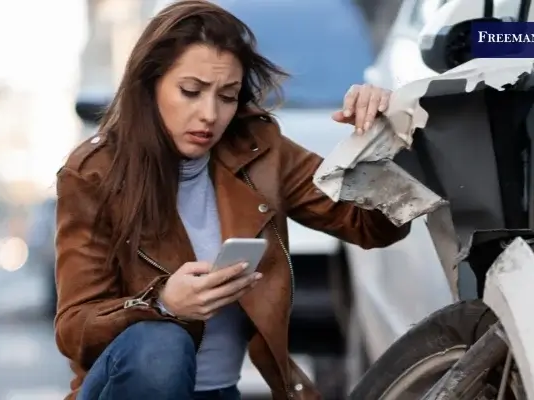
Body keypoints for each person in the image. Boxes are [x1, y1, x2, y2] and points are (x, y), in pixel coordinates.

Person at [54, 1, 411, 399]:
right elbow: (74, 327)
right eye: (191, 91)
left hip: (220, 392)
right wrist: (162, 304)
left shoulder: (258, 150)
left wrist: (379, 138)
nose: (209, 114)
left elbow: (372, 227)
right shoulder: (93, 172)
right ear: (150, 84)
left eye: (227, 96)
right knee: (161, 346)